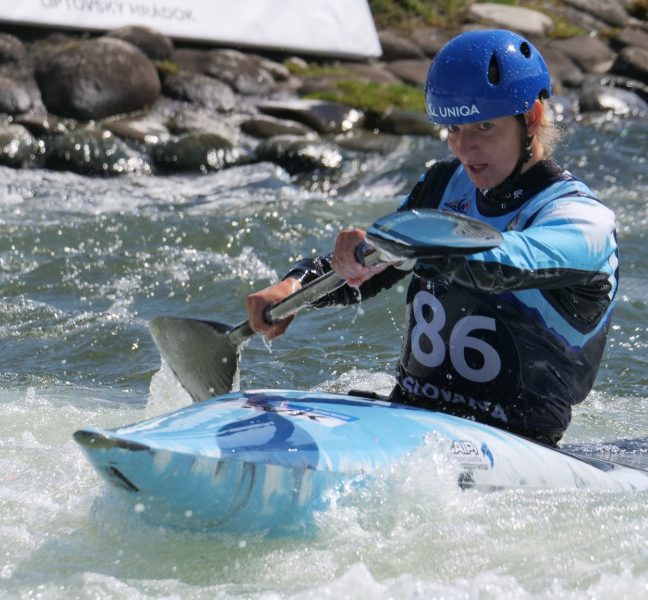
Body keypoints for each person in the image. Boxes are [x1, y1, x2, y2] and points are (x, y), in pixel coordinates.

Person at [245, 29, 618, 447]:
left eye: (484, 126)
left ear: (530, 118)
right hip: (411, 416)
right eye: (452, 129)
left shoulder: (583, 220)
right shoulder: (444, 184)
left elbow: (503, 265)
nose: (465, 148)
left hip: (517, 444)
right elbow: (374, 274)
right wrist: (295, 286)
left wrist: (404, 244)